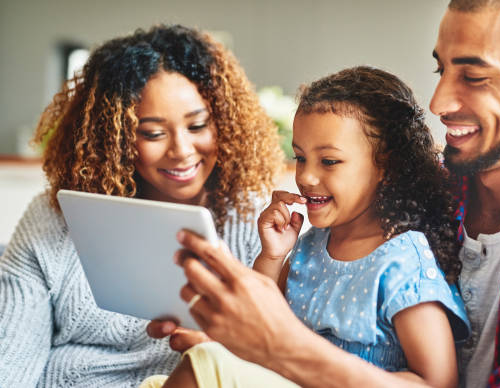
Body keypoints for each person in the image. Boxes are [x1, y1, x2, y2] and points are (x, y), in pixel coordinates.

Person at [149, 0, 500, 387]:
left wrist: (279, 348)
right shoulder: (414, 188)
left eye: (473, 76)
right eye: (442, 68)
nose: (439, 103)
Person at [143, 66, 470, 388]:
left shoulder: (402, 262)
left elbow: (436, 382)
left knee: (207, 365)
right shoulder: (311, 246)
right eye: (300, 158)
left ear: (386, 166)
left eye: (329, 161)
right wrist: (273, 255)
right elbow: (258, 320)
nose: (306, 177)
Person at [0, 24, 284, 387]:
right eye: (152, 133)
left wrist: (232, 350)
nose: (181, 151)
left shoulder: (257, 223)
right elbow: (10, 364)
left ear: (226, 124)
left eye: (197, 126)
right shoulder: (53, 220)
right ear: (114, 137)